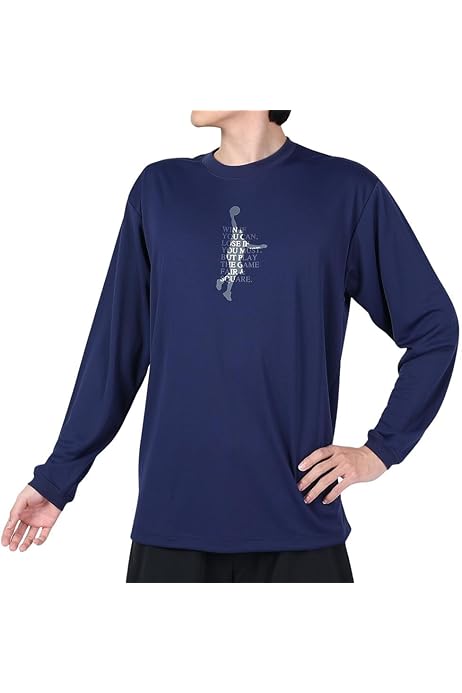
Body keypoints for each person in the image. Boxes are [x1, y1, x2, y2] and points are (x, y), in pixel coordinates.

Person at [2, 110, 458, 583]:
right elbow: (115, 351)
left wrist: (379, 451)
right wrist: (58, 476)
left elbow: (434, 328)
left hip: (300, 521)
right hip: (173, 523)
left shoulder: (345, 192)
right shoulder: (159, 191)